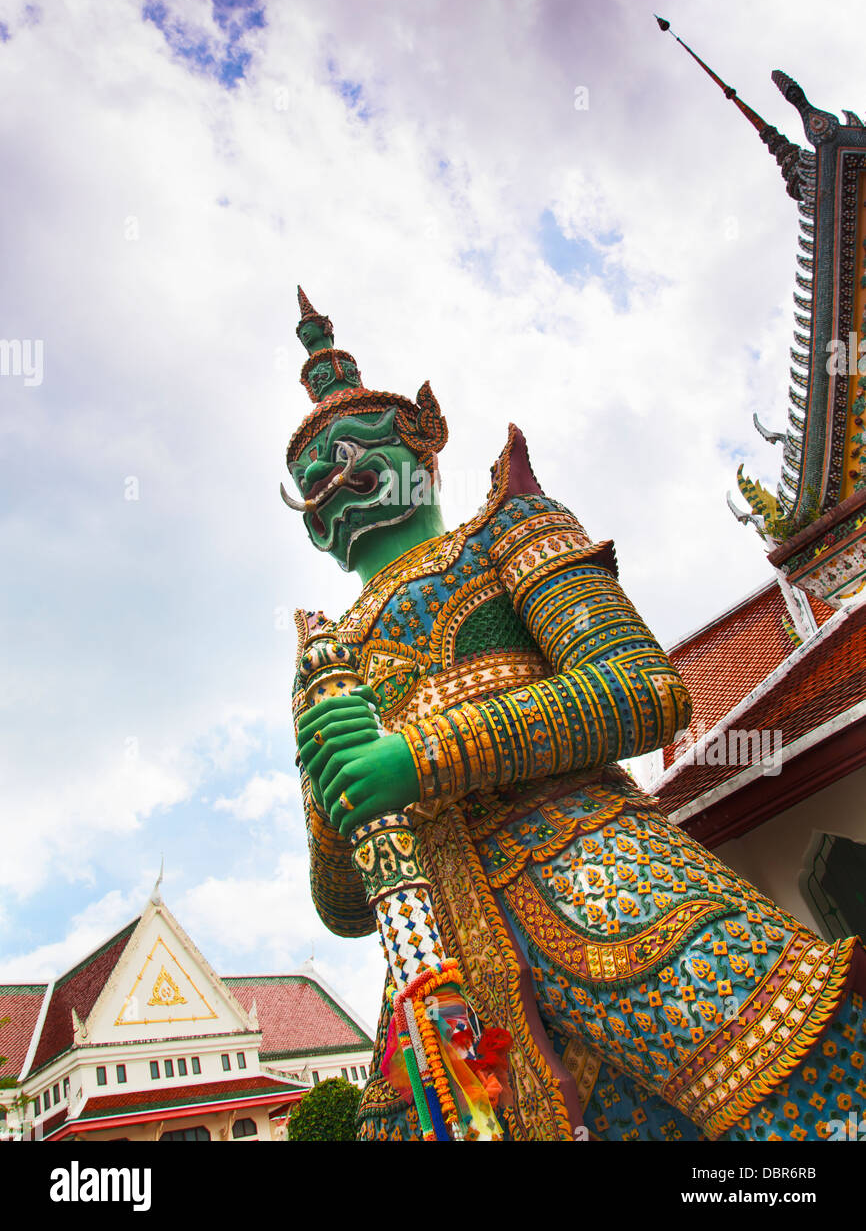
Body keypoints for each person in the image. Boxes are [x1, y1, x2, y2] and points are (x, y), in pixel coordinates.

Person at [285, 288, 866, 1141]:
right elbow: (344, 903)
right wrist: (340, 801)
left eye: (350, 456)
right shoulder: (325, 663)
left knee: (796, 1104)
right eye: (308, 480)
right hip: (437, 953)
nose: (330, 482)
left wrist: (419, 759)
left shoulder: (507, 534)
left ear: (425, 451)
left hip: (605, 880)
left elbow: (644, 692)